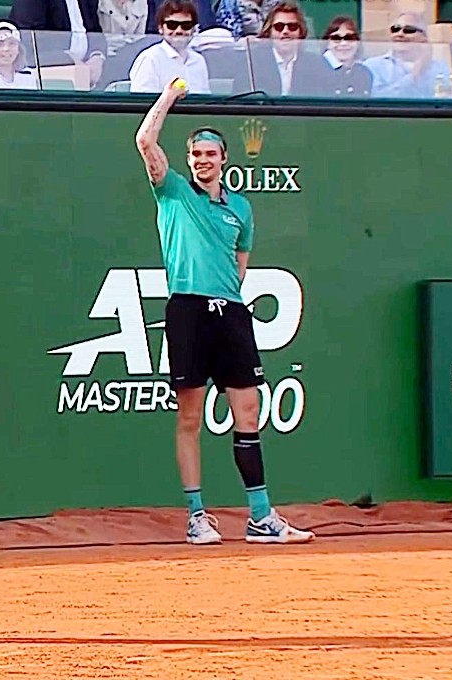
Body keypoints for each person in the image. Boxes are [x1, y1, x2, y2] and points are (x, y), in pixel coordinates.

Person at [133, 78, 315, 546]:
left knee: (248, 410)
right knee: (189, 417)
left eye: (210, 154)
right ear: (189, 160)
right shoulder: (171, 192)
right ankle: (197, 515)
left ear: (223, 160)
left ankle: (260, 516)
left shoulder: (241, 208)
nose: (202, 161)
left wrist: (227, 300)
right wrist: (171, 96)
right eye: (196, 154)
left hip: (231, 313)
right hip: (188, 311)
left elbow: (239, 263)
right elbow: (144, 140)